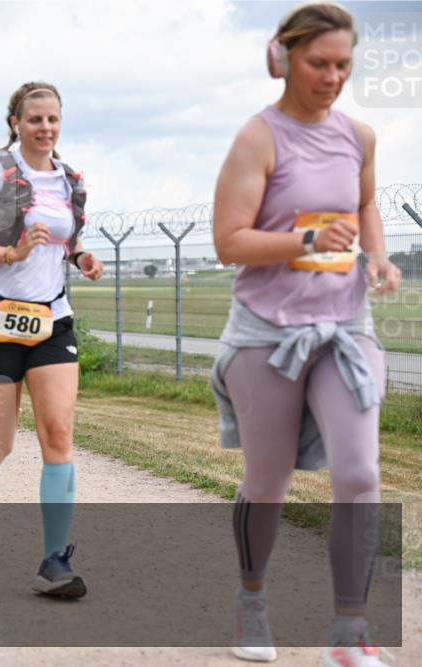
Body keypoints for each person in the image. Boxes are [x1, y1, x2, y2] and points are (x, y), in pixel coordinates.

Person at [210, 4, 402, 665]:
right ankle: (251, 600)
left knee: (360, 471)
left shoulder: (360, 135)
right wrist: (307, 239)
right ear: (283, 57)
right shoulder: (258, 139)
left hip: (345, 328)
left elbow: (367, 202)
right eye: (319, 63)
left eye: (343, 65)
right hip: (267, 333)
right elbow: (228, 241)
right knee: (267, 480)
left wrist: (376, 255)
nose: (331, 77)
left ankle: (349, 629)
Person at [0, 82, 104, 599]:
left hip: (52, 321)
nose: (45, 128)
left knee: (58, 434)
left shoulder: (70, 179)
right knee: (0, 441)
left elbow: (65, 241)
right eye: (35, 119)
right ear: (16, 121)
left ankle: (55, 559)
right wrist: (9, 254)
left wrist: (81, 257)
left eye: (53, 119)